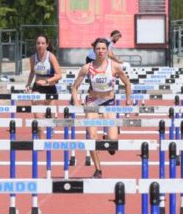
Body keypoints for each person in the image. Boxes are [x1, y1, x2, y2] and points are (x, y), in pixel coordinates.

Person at [71, 37, 132, 178]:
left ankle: (110, 135)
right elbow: (74, 87)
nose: (101, 51)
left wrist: (128, 99)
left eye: (103, 48)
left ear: (107, 50)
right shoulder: (87, 68)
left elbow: (127, 84)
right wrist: (76, 100)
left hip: (109, 102)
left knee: (112, 142)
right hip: (92, 103)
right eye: (98, 48)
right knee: (91, 137)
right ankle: (98, 169)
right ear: (94, 50)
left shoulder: (115, 66)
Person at [25, 35, 62, 134]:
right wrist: (28, 84)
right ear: (35, 45)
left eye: (42, 43)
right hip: (37, 88)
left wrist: (46, 81)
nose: (40, 45)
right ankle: (41, 143)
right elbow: (32, 72)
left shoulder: (51, 57)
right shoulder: (33, 58)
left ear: (47, 45)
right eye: (38, 43)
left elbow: (59, 75)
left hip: (50, 88)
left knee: (51, 120)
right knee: (38, 117)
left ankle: (52, 121)